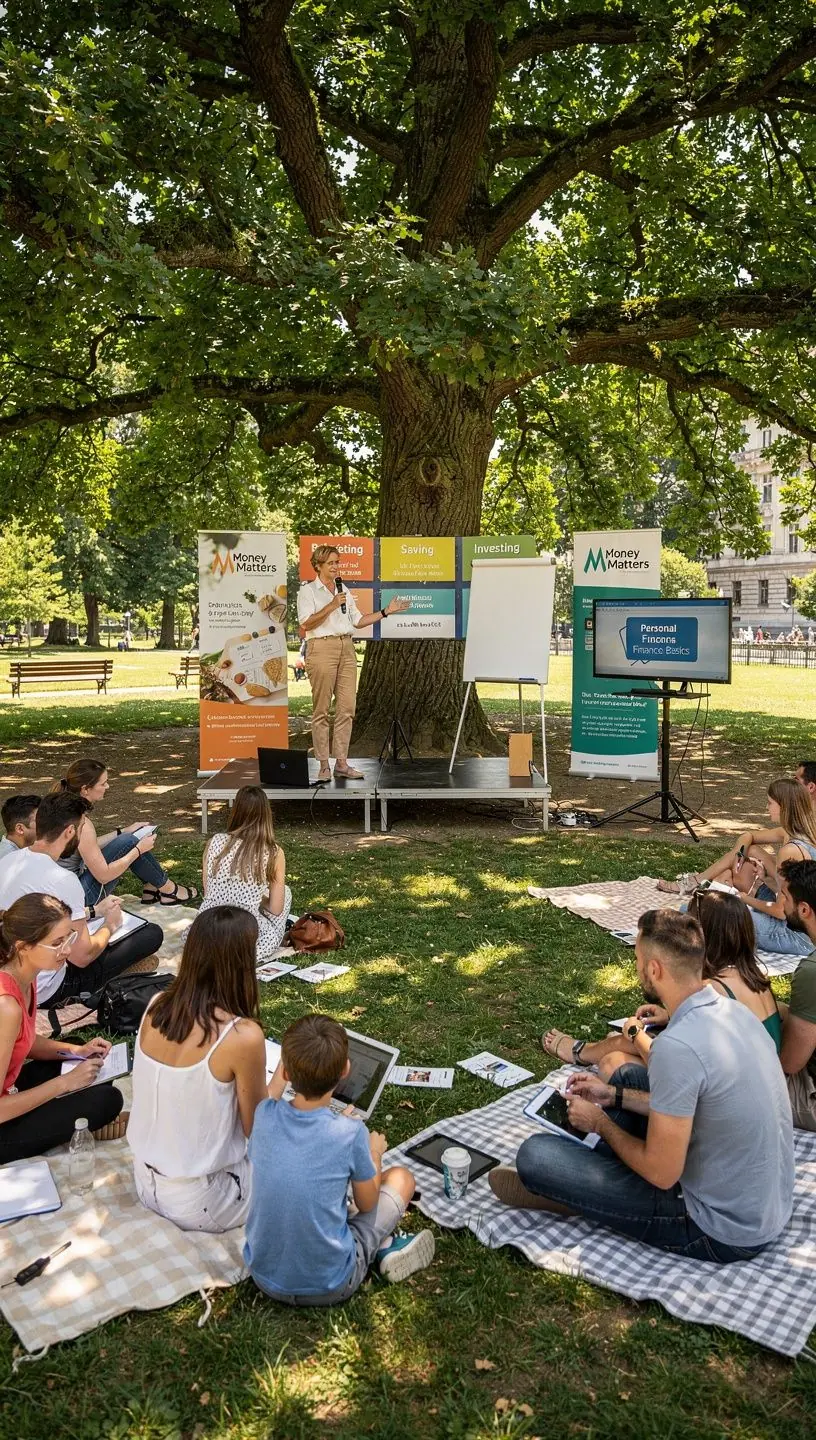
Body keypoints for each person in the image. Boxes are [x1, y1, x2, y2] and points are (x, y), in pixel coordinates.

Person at [491, 910, 794, 1263]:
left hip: (717, 1228)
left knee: (536, 1156)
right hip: (764, 1205)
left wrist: (600, 1122)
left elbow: (662, 1174)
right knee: (627, 1080)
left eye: (637, 959)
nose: (636, 967)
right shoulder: (733, 1012)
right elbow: (696, 1103)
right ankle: (589, 1182)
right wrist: (612, 1096)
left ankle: (580, 1194)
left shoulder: (677, 1048)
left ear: (654, 969)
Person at [245, 1013, 435, 1303]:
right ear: (346, 1069)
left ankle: (381, 1243)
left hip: (265, 1278)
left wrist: (290, 1062)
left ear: (285, 1072)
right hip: (331, 1284)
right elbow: (367, 1202)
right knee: (401, 1179)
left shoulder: (264, 1115)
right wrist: (374, 1152)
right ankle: (383, 1247)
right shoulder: (350, 1132)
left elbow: (272, 1093)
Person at [128, 906, 270, 1232]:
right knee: (306, 1163)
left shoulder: (157, 1005)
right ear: (241, 963)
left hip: (146, 1181)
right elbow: (260, 1131)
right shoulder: (242, 1036)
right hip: (203, 1198)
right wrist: (279, 1084)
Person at [542, 888, 782, 1078]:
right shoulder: (751, 976)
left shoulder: (712, 990)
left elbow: (669, 1061)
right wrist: (670, 1016)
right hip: (749, 1078)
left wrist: (635, 1034)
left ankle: (580, 1051)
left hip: (722, 1088)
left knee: (614, 1062)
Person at [0, 791, 163, 1007]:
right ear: (69, 832)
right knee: (151, 934)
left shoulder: (9, 860)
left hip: (11, 972)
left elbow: (35, 918)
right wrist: (110, 925)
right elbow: (82, 957)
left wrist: (94, 911)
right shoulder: (63, 880)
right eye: (81, 829)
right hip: (45, 988)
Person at [0, 893, 126, 1161]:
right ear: (23, 946)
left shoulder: (25, 973)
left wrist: (77, 1050)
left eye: (68, 937)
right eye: (57, 943)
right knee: (106, 1099)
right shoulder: (5, 1005)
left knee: (92, 1066)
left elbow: (24, 1042)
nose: (67, 950)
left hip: (8, 1090)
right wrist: (66, 1083)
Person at [657, 778, 816, 957]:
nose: (766, 808)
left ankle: (713, 889)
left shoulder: (791, 850)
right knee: (749, 853)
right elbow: (748, 837)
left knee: (698, 911)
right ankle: (712, 883)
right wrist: (742, 856)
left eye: (770, 803)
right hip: (797, 923)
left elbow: (780, 911)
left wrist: (743, 899)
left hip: (795, 936)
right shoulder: (797, 835)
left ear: (784, 807)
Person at [296, 545, 411, 783]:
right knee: (321, 710)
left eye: (337, 562)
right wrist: (330, 605)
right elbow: (307, 624)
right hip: (321, 648)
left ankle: (341, 763)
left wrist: (386, 611)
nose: (336, 567)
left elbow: (358, 621)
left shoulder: (343, 589)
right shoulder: (308, 592)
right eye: (332, 563)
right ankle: (323, 765)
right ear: (318, 565)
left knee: (347, 709)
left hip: (346, 648)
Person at [55, 759, 198, 906]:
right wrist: (138, 850)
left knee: (127, 839)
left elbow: (87, 847)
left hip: (63, 893)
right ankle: (169, 890)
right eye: (103, 783)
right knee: (129, 842)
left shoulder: (60, 808)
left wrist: (122, 831)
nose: (107, 786)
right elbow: (104, 876)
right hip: (80, 899)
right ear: (85, 789)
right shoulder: (82, 824)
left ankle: (152, 886)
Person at [199, 787, 291, 958]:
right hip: (243, 936)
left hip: (206, 932)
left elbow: (209, 892)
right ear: (266, 814)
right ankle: (276, 936)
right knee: (286, 893)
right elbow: (276, 909)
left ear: (235, 811)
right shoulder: (273, 852)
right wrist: (255, 899)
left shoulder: (214, 842)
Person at [778, 859, 816, 1129]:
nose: (780, 902)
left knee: (727, 1085)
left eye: (784, 896)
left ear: (804, 909)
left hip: (811, 1099)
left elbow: (789, 1063)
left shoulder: (811, 972)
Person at [0, 795, 40, 864]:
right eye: (39, 821)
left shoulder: (21, 850)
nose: (46, 825)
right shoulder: (9, 861)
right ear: (20, 829)